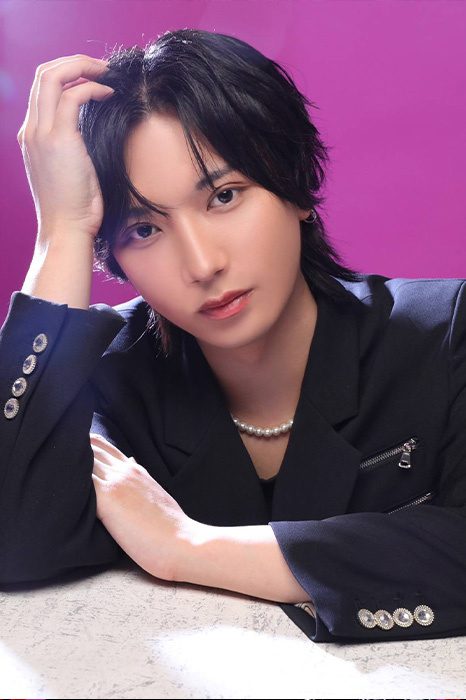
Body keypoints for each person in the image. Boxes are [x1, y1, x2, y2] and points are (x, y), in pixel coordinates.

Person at [1, 28, 465, 644]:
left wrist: (186, 547)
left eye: (224, 196)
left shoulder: (446, 335)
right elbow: (12, 540)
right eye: (144, 230)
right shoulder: (106, 373)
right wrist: (61, 230)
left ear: (294, 186)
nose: (202, 264)